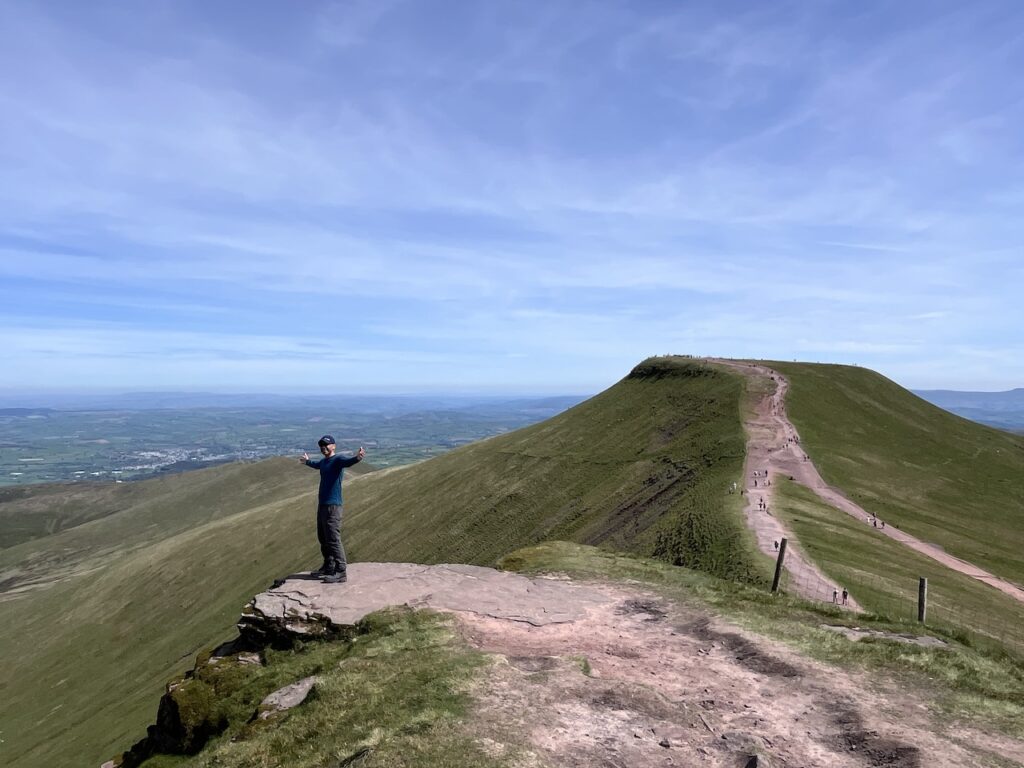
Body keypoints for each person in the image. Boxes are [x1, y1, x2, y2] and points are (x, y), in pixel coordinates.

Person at [300, 435, 365, 583]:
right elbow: (317, 465)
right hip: (322, 505)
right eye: (322, 446)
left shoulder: (337, 460)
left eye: (327, 445)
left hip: (333, 506)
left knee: (333, 539)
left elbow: (348, 462)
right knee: (323, 537)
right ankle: (329, 566)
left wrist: (358, 458)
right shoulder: (324, 462)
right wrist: (307, 462)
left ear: (334, 446)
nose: (324, 448)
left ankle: (341, 571)